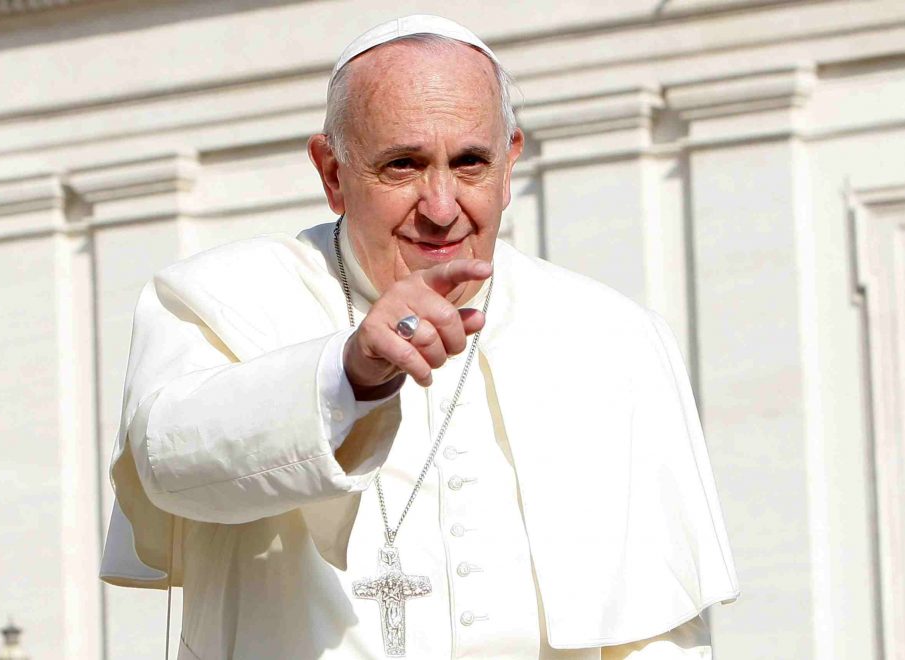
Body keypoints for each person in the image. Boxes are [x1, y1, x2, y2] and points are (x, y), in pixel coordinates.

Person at [100, 14, 739, 660]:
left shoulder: (613, 338)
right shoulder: (218, 297)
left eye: (469, 163)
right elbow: (165, 463)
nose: (440, 207)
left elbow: (660, 632)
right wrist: (346, 375)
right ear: (332, 173)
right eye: (402, 165)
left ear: (509, 165)